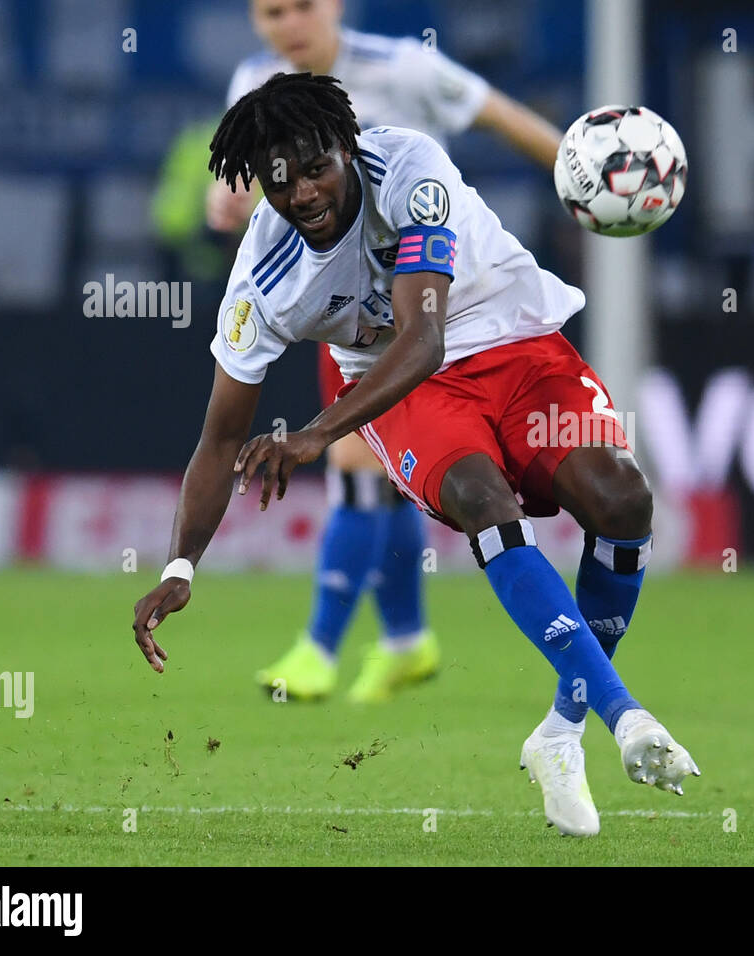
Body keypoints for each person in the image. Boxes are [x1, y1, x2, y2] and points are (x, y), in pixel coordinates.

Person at [130, 74, 698, 837]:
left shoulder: (409, 171)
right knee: (481, 500)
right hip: (407, 394)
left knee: (623, 500)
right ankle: (624, 717)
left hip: (515, 340)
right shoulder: (262, 285)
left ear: (346, 148)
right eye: (279, 180)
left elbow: (425, 337)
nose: (302, 192)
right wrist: (179, 568)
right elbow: (220, 439)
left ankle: (562, 730)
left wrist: (314, 434)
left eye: (315, 167)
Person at [212, 0, 564, 705]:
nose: (288, 24)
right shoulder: (254, 81)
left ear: (335, 5)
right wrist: (220, 201)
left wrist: (583, 177)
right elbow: (235, 187)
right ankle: (405, 639)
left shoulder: (404, 65)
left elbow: (500, 114)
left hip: (429, 300)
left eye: (302, 6)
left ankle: (322, 645)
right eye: (271, 12)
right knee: (371, 474)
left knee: (352, 461)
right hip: (344, 306)